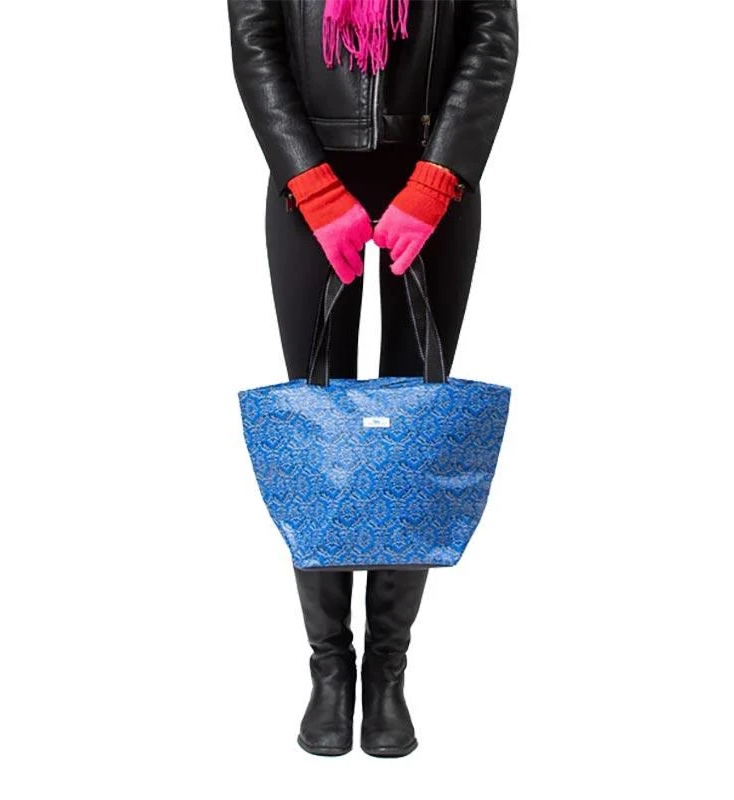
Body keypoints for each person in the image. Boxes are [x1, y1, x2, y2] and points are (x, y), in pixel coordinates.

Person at [227, 0, 518, 757]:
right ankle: (330, 670)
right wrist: (312, 185)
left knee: (415, 433)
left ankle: (388, 673)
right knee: (316, 428)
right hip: (309, 177)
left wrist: (439, 179)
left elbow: (492, 35)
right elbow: (255, 39)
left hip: (434, 174)